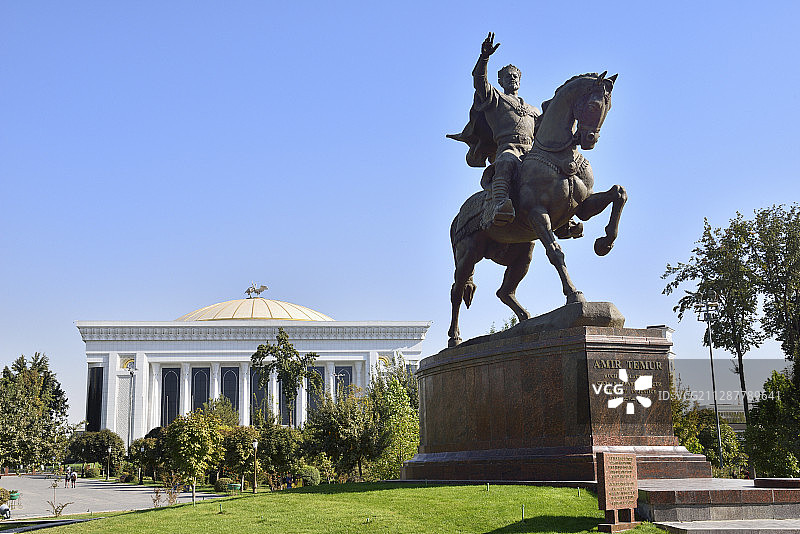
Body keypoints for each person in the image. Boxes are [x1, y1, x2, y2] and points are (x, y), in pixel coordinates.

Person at [448, 32, 540, 227]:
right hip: (508, 148)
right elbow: (479, 81)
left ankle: (566, 217)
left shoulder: (533, 110)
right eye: (508, 76)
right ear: (500, 81)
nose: (512, 78)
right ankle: (500, 203)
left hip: (531, 151)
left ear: (520, 80)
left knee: (554, 167)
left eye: (515, 76)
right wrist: (484, 58)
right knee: (505, 162)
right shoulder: (495, 98)